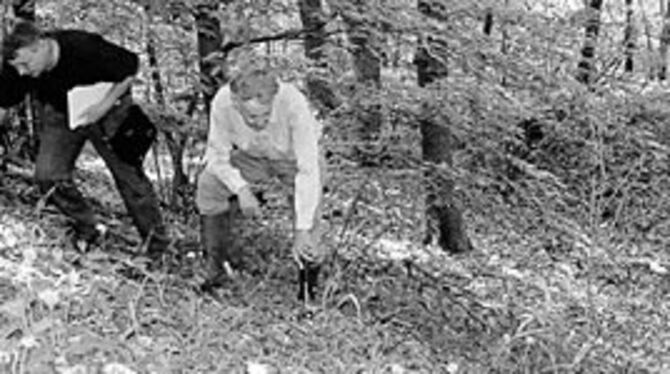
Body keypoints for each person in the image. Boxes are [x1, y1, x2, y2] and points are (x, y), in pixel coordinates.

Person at [0, 21, 169, 260]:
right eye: (17, 67)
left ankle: (157, 249)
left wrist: (103, 107)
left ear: (40, 46)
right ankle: (88, 228)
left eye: (25, 64)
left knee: (129, 179)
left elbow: (130, 68)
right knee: (48, 175)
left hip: (107, 109)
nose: (22, 73)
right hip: (62, 113)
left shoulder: (83, 47)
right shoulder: (17, 63)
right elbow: (4, 100)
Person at [196, 57, 326, 300]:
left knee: (310, 214)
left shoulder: (294, 103)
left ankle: (309, 292)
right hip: (250, 155)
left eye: (264, 116)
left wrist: (301, 230)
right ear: (236, 102)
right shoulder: (223, 103)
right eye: (250, 117)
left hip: (292, 158)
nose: (258, 123)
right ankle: (215, 270)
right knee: (208, 185)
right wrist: (242, 190)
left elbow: (308, 170)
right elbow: (216, 156)